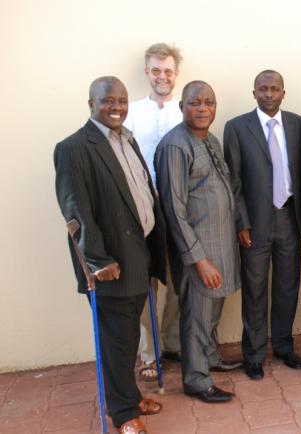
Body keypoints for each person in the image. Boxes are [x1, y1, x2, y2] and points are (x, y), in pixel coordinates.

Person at [54, 76, 167, 433]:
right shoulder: (74, 148)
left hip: (138, 256)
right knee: (117, 340)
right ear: (91, 104)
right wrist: (98, 261)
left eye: (121, 100)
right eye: (108, 101)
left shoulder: (126, 140)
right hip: (110, 266)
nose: (116, 106)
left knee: (128, 336)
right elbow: (75, 211)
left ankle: (128, 397)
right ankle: (123, 415)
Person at [154, 81, 239, 403]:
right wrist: (198, 259)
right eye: (194, 103)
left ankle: (210, 359)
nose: (202, 109)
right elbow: (173, 211)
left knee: (212, 311)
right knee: (197, 316)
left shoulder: (211, 141)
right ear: (182, 107)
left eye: (209, 103)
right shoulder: (175, 146)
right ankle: (196, 379)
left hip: (220, 245)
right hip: (198, 251)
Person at [223, 70, 301, 380]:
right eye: (263, 89)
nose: (269, 94)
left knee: (287, 285)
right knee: (255, 289)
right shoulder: (236, 127)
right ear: (254, 92)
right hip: (254, 223)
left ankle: (284, 346)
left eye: (274, 89)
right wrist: (240, 223)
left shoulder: (298, 124)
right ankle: (254, 354)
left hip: (288, 217)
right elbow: (233, 181)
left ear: (283, 93)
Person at [124, 42, 183, 381]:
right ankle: (149, 354)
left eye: (168, 71)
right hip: (142, 212)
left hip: (178, 212)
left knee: (179, 280)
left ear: (176, 74)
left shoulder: (185, 110)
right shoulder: (130, 111)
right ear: (147, 72)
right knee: (147, 284)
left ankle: (173, 344)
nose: (162, 76)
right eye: (156, 70)